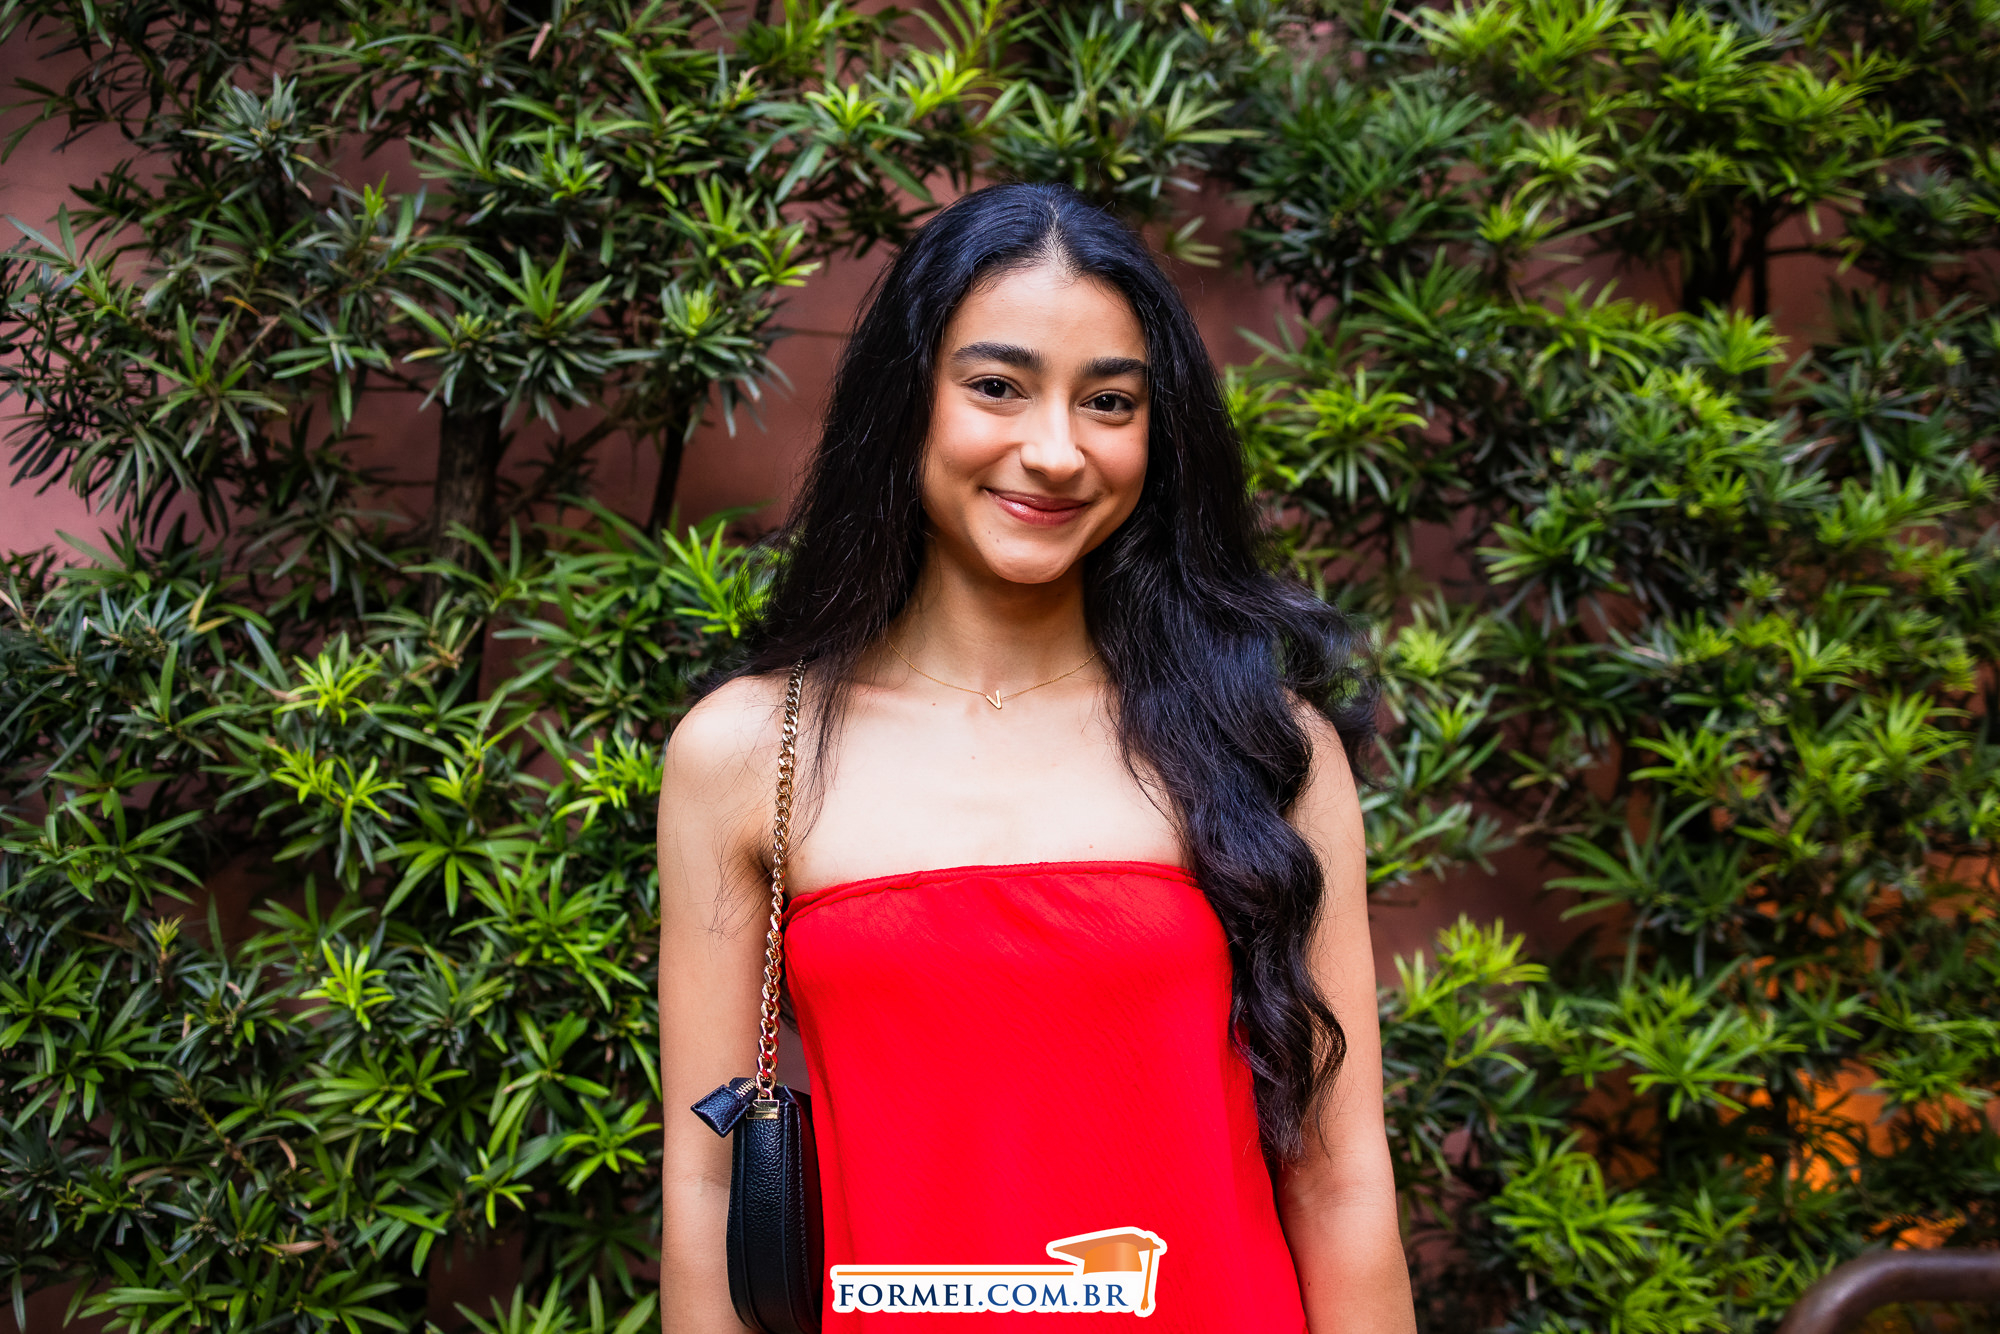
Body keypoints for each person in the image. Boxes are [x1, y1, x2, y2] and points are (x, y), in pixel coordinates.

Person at [656, 181, 1414, 1332]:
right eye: (997, 386)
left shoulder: (1261, 745)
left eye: (1108, 401)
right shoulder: (750, 752)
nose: (1054, 451)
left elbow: (1341, 1179)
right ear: (906, 398)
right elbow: (709, 1187)